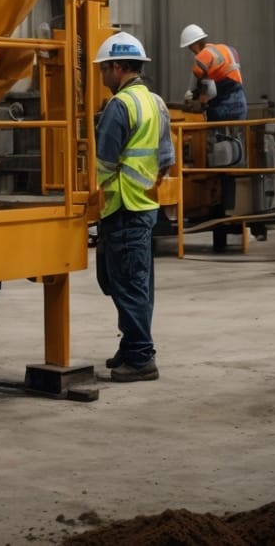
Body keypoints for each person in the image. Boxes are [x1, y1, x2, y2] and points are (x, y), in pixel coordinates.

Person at [91, 31, 175, 383]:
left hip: (121, 206)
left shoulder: (119, 106)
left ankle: (141, 356)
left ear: (118, 67)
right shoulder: (156, 102)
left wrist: (100, 191)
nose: (101, 75)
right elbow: (166, 158)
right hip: (143, 206)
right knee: (131, 280)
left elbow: (105, 160)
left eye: (103, 69)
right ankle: (131, 346)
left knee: (126, 282)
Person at [178, 24, 247, 123]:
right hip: (241, 105)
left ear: (194, 44)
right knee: (236, 138)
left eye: (189, 47)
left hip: (224, 108)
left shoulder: (203, 57)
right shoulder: (222, 48)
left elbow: (208, 90)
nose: (191, 50)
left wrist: (195, 101)